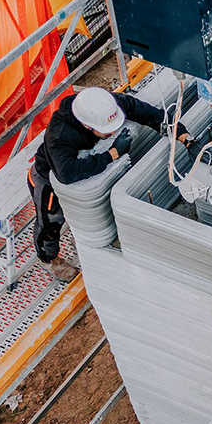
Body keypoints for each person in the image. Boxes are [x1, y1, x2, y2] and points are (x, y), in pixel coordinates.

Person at [30, 86, 187, 280]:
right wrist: (112, 154)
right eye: (107, 131)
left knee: (81, 210)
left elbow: (150, 114)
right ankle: (48, 259)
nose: (113, 132)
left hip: (85, 160)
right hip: (48, 176)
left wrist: (185, 137)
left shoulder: (108, 105)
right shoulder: (60, 134)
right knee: (51, 221)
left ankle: (79, 234)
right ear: (87, 126)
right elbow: (66, 173)